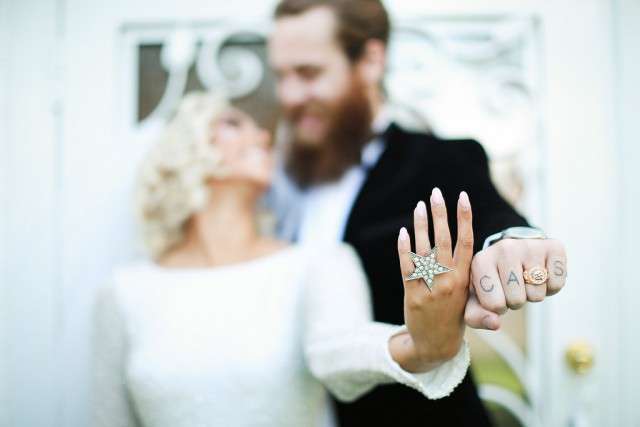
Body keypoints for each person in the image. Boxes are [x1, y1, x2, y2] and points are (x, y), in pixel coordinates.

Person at [92, 92, 481, 427]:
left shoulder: (317, 263)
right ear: (183, 147)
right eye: (232, 123)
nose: (262, 136)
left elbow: (338, 354)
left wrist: (421, 345)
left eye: (261, 129)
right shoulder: (126, 291)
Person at [267, 1, 568, 426]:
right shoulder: (272, 178)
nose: (289, 96)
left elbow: (489, 214)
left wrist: (512, 242)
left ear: (371, 60)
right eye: (281, 76)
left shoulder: (437, 161)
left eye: (309, 73)